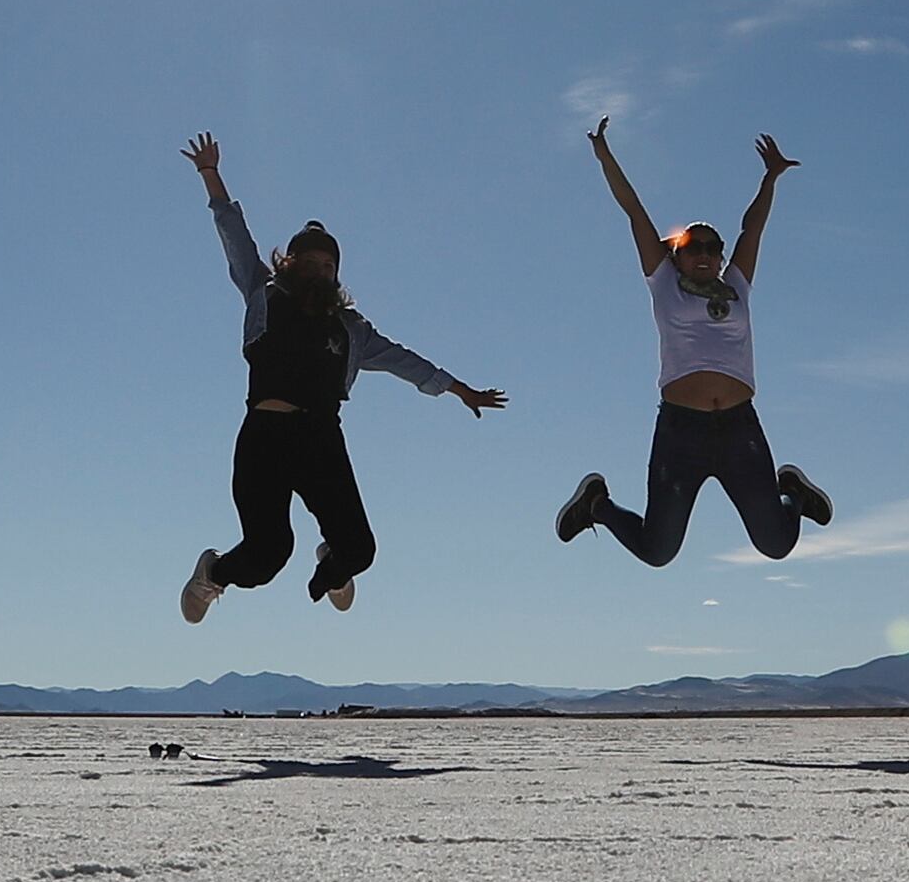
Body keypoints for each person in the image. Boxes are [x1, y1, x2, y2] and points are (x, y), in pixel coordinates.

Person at [177, 133, 507, 625]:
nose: (318, 269)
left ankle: (332, 565)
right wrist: (211, 174)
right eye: (308, 261)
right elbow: (235, 236)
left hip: (320, 441)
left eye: (327, 265)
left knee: (359, 550)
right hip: (265, 437)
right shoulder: (264, 294)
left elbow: (405, 361)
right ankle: (213, 574)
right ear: (291, 263)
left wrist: (461, 390)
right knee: (269, 553)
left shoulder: (351, 330)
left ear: (336, 275)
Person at [558, 118, 834, 567]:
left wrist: (771, 177)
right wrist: (605, 156)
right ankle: (596, 505)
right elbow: (635, 211)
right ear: (678, 254)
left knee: (776, 545)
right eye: (694, 246)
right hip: (681, 431)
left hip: (739, 426)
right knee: (658, 550)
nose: (704, 252)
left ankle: (794, 495)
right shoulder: (664, 282)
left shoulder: (737, 286)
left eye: (712, 246)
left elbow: (753, 229)